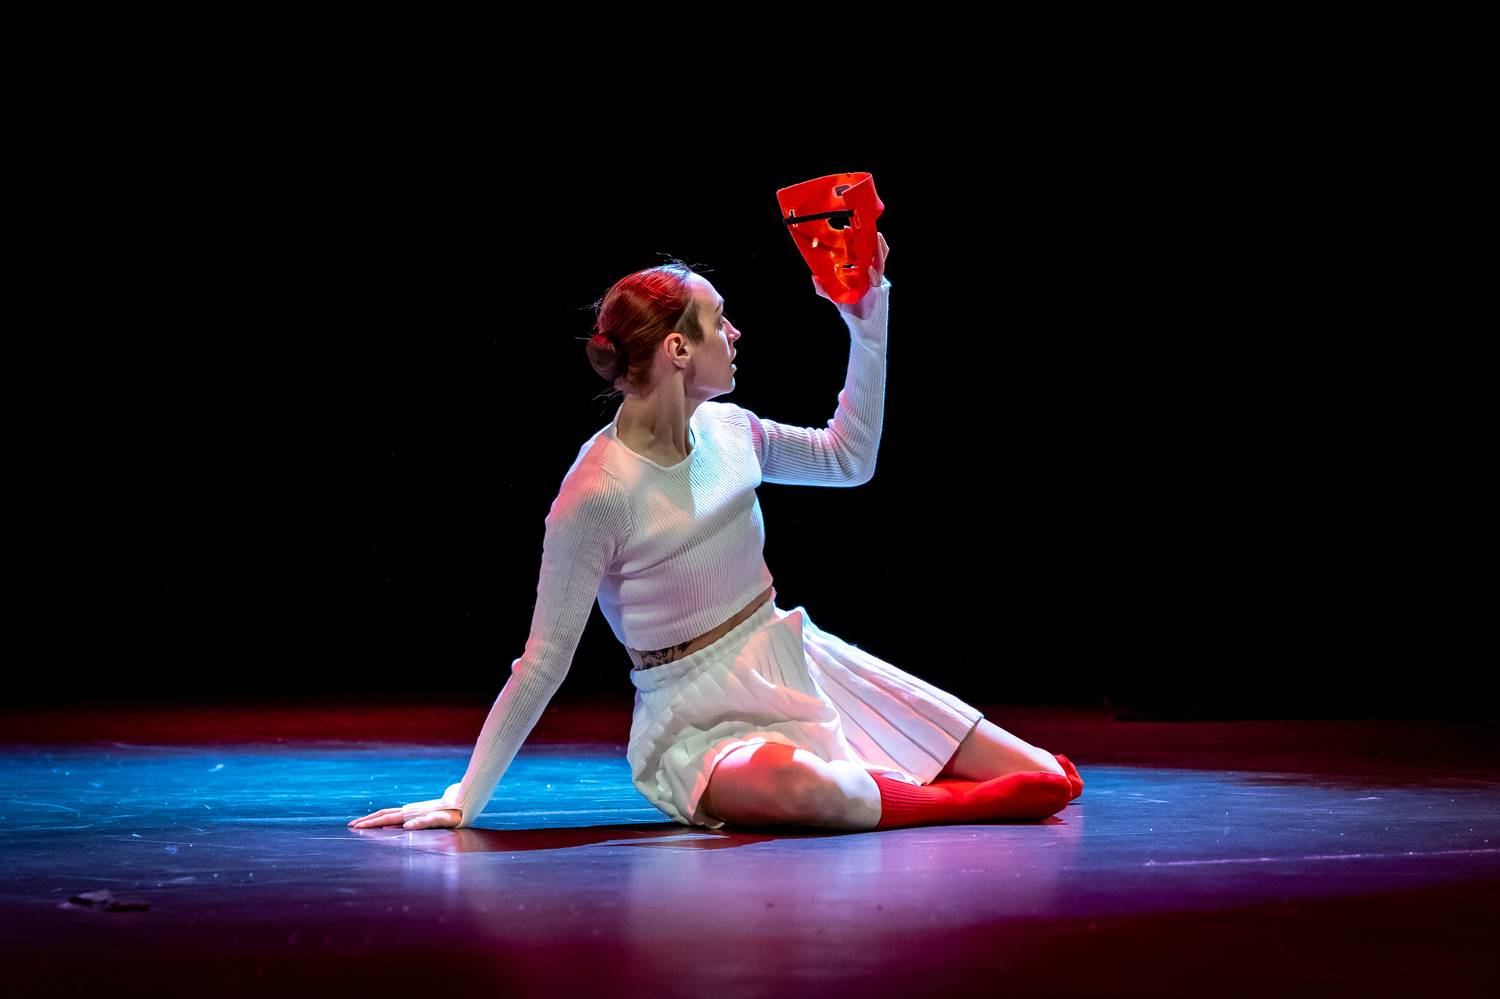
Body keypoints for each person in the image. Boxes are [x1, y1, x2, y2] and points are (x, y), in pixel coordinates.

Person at [349, 234, 1083, 833]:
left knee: (1050, 776)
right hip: (695, 717)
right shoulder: (596, 491)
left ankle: (901, 785)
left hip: (794, 657)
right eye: (719, 321)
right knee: (807, 789)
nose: (735, 334)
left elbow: (848, 460)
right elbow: (543, 662)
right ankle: (952, 804)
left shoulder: (732, 431)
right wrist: (466, 797)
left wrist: (866, 322)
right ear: (677, 350)